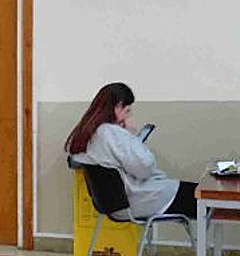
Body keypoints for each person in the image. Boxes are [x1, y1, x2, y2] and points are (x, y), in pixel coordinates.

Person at [66, 81, 197, 218]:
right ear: (117, 107)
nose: (128, 116)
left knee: (191, 192)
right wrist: (131, 137)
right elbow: (145, 169)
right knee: (203, 198)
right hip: (136, 201)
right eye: (127, 110)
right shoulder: (111, 133)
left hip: (113, 205)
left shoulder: (88, 132)